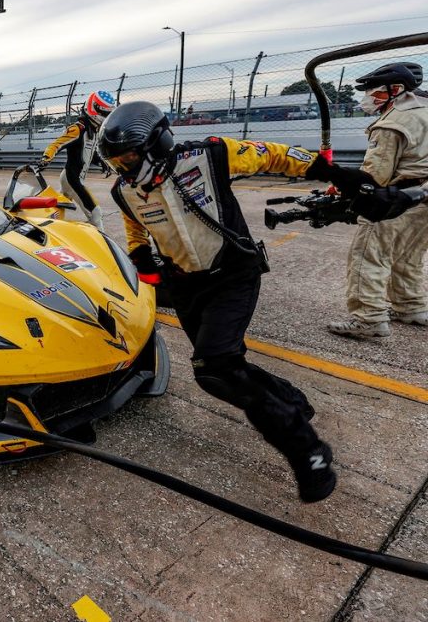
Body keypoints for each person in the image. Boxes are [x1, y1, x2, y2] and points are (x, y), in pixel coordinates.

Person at [97, 100, 352, 503]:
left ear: (156, 142)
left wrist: (336, 174)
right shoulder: (124, 190)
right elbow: (135, 226)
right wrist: (140, 253)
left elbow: (278, 156)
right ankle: (291, 400)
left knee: (214, 370)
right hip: (185, 286)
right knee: (226, 361)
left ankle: (309, 452)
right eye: (117, 161)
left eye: (129, 156)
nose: (124, 166)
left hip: (233, 274)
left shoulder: (209, 154)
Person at [327, 62, 428, 338]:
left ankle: (369, 318)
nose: (369, 96)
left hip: (398, 199)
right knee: (409, 254)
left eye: (374, 91)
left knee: (368, 254)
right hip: (425, 199)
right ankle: (411, 307)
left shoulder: (392, 122)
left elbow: (376, 175)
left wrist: (343, 189)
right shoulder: (425, 111)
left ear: (395, 90)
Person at [40, 90, 116, 230]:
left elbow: (88, 152)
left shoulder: (92, 131)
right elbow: (56, 144)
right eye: (105, 113)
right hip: (72, 179)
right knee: (95, 213)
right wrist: (46, 158)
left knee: (57, 209)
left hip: (72, 176)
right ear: (93, 109)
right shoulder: (77, 129)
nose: (106, 117)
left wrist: (101, 163)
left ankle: (42, 225)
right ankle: (102, 246)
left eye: (108, 114)